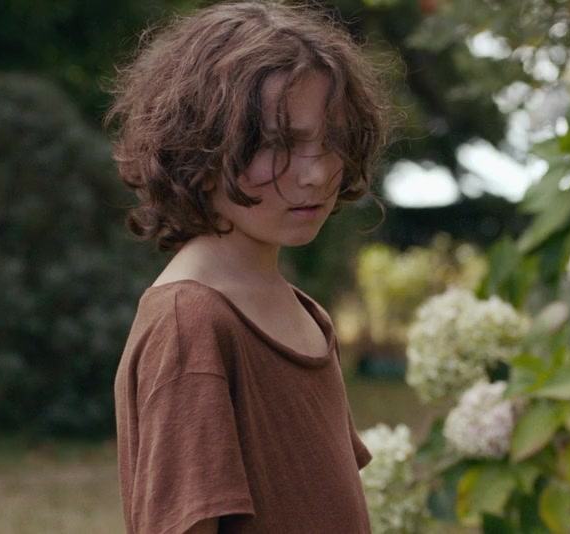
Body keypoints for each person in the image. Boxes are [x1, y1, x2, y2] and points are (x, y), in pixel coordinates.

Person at [104, 1, 390, 532]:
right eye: (280, 144)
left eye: (333, 141)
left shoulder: (301, 310)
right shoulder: (189, 323)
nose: (315, 173)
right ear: (200, 147)